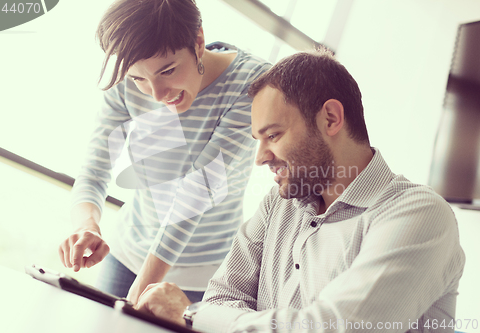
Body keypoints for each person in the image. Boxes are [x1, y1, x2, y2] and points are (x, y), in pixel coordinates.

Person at [133, 49, 466, 332]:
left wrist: (194, 314)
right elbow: (221, 297)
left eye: (273, 136)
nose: (261, 158)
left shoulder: (419, 214)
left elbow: (331, 327)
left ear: (331, 118)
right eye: (258, 141)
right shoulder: (278, 205)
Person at [57, 0, 270, 304]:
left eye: (167, 71)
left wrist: (133, 300)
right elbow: (95, 168)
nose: (156, 94)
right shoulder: (125, 76)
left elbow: (197, 192)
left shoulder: (252, 83)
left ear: (198, 42)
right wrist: (86, 224)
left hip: (203, 276)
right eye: (138, 79)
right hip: (128, 253)